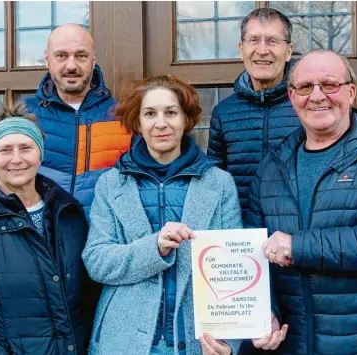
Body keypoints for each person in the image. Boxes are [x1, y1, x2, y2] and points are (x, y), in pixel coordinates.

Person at [82, 75, 285, 355]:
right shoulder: (111, 184)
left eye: (171, 112)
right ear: (138, 123)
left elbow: (237, 265)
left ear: (185, 120)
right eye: (150, 113)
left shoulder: (219, 183)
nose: (161, 123)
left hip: (199, 341)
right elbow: (97, 261)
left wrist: (238, 335)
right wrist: (154, 248)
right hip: (124, 340)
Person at [246, 49, 357, 354]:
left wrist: (298, 247)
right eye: (305, 87)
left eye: (329, 85)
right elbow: (256, 253)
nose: (317, 96)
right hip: (292, 343)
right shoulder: (272, 166)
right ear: (291, 96)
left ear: (351, 92)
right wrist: (263, 312)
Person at [0, 103, 97, 354]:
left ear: (40, 153)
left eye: (26, 148)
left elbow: (89, 299)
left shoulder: (68, 213)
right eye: (5, 150)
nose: (16, 159)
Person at [25, 23, 131, 217]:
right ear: (47, 59)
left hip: (102, 240)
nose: (71, 66)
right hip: (40, 239)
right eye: (61, 56)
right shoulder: (25, 117)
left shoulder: (123, 117)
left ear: (93, 60)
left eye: (81, 56)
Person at [207, 8, 301, 219]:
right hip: (241, 236)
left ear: (288, 51)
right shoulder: (223, 113)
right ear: (241, 49)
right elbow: (213, 184)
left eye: (272, 41)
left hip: (297, 235)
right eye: (254, 40)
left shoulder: (307, 104)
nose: (262, 50)